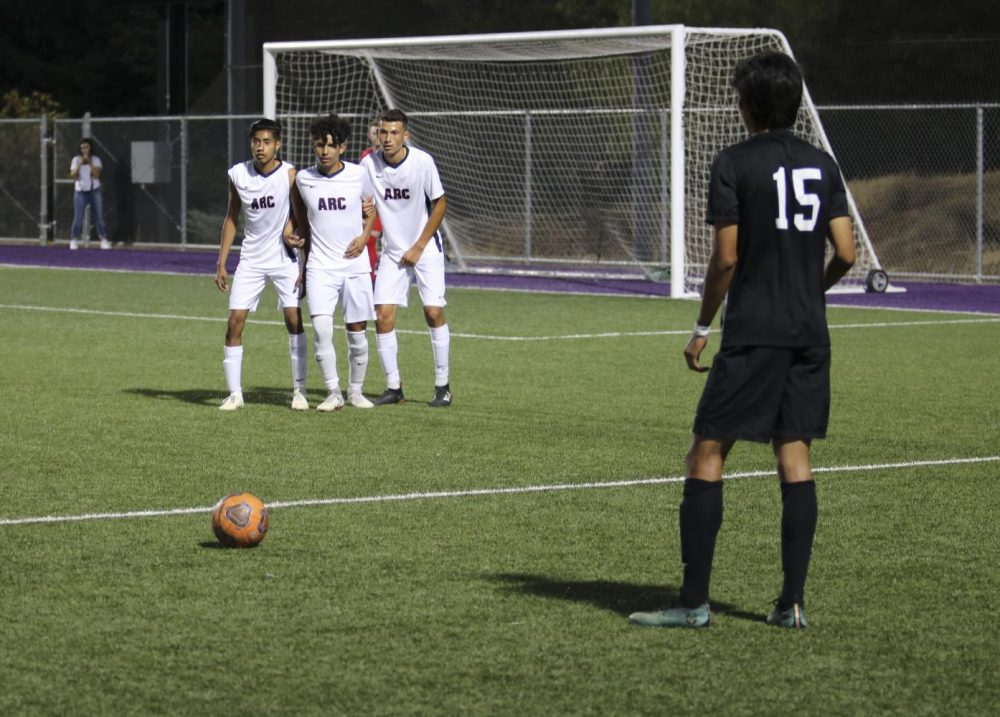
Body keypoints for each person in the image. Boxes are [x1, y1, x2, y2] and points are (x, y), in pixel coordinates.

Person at [628, 51, 856, 629]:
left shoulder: (733, 161)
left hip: (753, 331)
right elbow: (847, 253)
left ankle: (694, 602)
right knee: (795, 457)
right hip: (808, 332)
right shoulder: (823, 164)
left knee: (707, 452)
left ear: (747, 104)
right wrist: (811, 289)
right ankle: (791, 604)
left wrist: (702, 326)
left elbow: (725, 260)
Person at [214, 118, 308, 412]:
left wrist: (293, 235)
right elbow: (231, 217)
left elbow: (301, 215)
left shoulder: (289, 174)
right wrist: (221, 262)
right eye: (256, 141)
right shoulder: (238, 174)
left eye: (267, 142)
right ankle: (235, 394)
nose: (261, 147)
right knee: (234, 322)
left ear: (277, 144)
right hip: (251, 259)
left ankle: (299, 391)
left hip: (283, 258)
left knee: (294, 319)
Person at [360, 109, 452, 407]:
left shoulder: (422, 162)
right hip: (393, 252)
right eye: (383, 132)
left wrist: (419, 245)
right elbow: (365, 204)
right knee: (383, 315)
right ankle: (393, 387)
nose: (387, 138)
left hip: (425, 249)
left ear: (405, 136)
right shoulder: (368, 165)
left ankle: (443, 386)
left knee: (433, 313)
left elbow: (440, 205)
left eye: (394, 133)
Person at [287, 114, 378, 411]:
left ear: (342, 147)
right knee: (322, 330)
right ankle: (333, 393)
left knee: (357, 332)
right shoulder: (303, 179)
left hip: (354, 264)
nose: (324, 151)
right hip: (320, 267)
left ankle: (355, 391)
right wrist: (296, 241)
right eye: (319, 145)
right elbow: (299, 221)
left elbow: (370, 211)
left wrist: (365, 237)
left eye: (330, 145)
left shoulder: (358, 174)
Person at [69, 138, 111, 250]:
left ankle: (103, 239)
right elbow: (72, 175)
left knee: (99, 216)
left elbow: (97, 174)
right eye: (82, 148)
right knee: (78, 217)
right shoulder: (76, 159)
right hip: (80, 191)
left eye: (86, 147)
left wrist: (89, 163)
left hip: (94, 190)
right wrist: (80, 164)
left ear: (90, 147)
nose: (84, 150)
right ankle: (74, 239)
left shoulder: (96, 160)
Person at [358, 118, 382, 282]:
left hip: (386, 204)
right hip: (371, 204)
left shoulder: (390, 155)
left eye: (379, 132)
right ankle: (370, 275)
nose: (376, 136)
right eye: (373, 133)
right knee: (370, 238)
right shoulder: (366, 156)